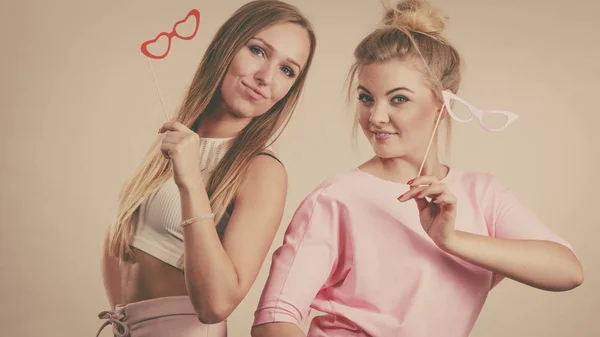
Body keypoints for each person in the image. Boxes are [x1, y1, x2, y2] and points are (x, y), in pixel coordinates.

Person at [250, 1, 583, 336]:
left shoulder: (483, 195)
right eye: (366, 98)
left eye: (398, 99)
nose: (376, 117)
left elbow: (567, 271)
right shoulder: (337, 198)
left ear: (442, 104)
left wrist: (449, 239)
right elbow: (273, 320)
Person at [97, 1, 317, 336]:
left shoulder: (261, 169)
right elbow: (120, 243)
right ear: (226, 45)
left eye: (288, 70)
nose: (265, 77)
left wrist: (191, 183)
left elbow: (217, 305)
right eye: (258, 51)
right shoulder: (179, 138)